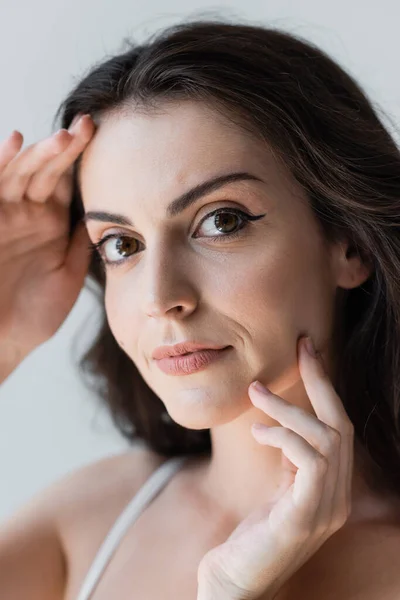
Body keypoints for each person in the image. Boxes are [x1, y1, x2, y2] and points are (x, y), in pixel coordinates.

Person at [1, 16, 400, 600]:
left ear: (350, 245)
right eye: (121, 244)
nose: (161, 298)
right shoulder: (85, 520)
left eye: (221, 221)